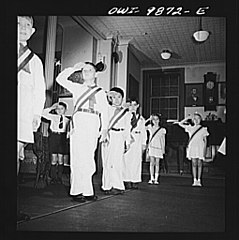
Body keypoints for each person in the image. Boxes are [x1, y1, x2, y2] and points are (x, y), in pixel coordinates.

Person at [56, 61, 108, 202]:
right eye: (84, 70)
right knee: (77, 157)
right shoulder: (77, 88)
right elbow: (59, 79)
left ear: (96, 74)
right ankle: (76, 191)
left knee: (89, 158)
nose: (87, 72)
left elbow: (105, 111)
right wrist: (74, 68)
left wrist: (104, 129)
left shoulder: (101, 92)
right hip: (79, 122)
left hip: (93, 122)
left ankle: (87, 190)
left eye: (90, 70)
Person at [17, 16, 46, 221]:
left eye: (28, 25)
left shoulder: (34, 60)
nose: (23, 28)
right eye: (18, 23)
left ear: (33, 31)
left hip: (22, 114)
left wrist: (36, 114)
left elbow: (40, 90)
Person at [101, 87, 132, 195]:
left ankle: (118, 185)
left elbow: (128, 128)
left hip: (120, 136)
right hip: (109, 135)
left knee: (118, 162)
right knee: (108, 161)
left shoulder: (126, 113)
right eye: (114, 97)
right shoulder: (106, 109)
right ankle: (107, 186)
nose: (117, 99)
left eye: (119, 97)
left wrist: (127, 142)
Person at [174, 113, 209, 187]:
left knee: (199, 164)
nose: (196, 120)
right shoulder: (190, 128)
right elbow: (180, 123)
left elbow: (205, 141)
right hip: (192, 147)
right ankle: (194, 180)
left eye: (198, 118)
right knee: (193, 164)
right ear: (192, 120)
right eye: (194, 119)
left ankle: (199, 180)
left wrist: (204, 150)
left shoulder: (203, 129)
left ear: (200, 120)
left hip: (200, 147)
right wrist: (187, 118)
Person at [42, 102, 70, 184]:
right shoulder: (53, 117)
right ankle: (53, 177)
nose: (60, 110)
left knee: (60, 159)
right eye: (58, 109)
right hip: (54, 137)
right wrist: (51, 108)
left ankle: (59, 177)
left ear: (65, 110)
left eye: (62, 109)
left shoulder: (68, 120)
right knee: (54, 158)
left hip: (62, 138)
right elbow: (43, 113)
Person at [123, 98, 147, 190]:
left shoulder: (141, 118)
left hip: (138, 139)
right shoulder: (125, 116)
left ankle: (135, 180)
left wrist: (144, 143)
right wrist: (127, 139)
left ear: (137, 106)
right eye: (131, 105)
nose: (132, 107)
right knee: (127, 160)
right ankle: (127, 180)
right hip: (129, 139)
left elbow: (144, 132)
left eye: (134, 105)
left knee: (136, 161)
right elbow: (125, 129)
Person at [145, 114, 166, 185]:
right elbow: (142, 126)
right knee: (151, 163)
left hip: (159, 148)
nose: (155, 121)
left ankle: (156, 178)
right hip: (151, 147)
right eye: (154, 119)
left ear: (159, 120)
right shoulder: (150, 127)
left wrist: (163, 149)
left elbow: (163, 140)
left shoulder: (162, 130)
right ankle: (151, 178)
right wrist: (148, 119)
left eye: (157, 119)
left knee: (157, 163)